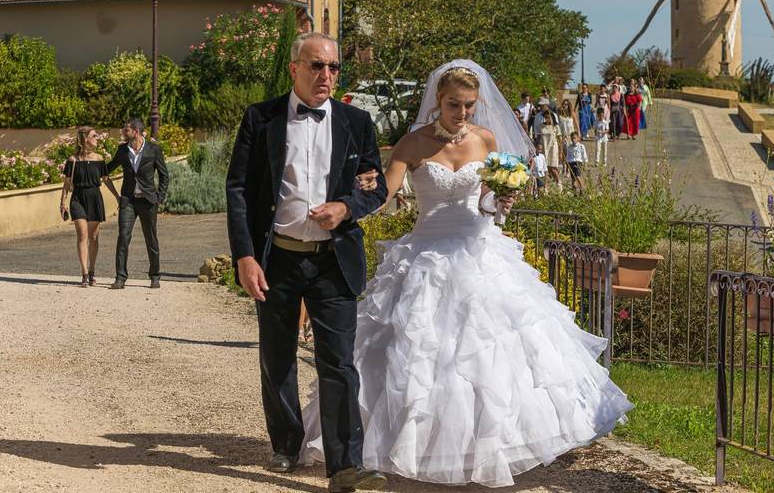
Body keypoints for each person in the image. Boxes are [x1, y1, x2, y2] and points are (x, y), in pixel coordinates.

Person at [299, 59, 633, 488]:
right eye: (454, 104)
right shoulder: (413, 144)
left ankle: (485, 450)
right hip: (426, 255)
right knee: (417, 357)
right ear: (438, 100)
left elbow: (488, 204)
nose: (462, 113)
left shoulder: (486, 139)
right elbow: (385, 194)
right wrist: (345, 207)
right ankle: (398, 448)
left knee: (490, 358)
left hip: (481, 252)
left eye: (470, 106)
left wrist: (501, 204)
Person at [225, 32, 389, 493]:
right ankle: (287, 443)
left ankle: (344, 465)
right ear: (294, 68)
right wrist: (244, 255)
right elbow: (237, 189)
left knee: (338, 362)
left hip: (332, 260)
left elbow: (373, 187)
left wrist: (347, 208)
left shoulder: (357, 122)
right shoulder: (261, 118)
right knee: (277, 357)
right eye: (317, 66)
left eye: (334, 67)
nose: (327, 75)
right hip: (276, 257)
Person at [107, 118, 169, 290]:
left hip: (148, 201)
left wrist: (159, 198)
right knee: (123, 237)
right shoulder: (122, 150)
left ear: (135, 131)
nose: (122, 132)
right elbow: (109, 167)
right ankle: (120, 277)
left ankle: (155, 276)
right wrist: (89, 164)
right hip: (128, 200)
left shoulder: (153, 150)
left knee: (151, 239)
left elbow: (164, 175)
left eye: (125, 130)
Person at [59, 126, 120, 287]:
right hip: (78, 198)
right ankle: (84, 273)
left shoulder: (99, 159)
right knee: (82, 234)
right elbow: (66, 184)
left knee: (93, 237)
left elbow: (106, 179)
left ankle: (92, 270)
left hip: (95, 197)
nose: (97, 138)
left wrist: (117, 196)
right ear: (85, 139)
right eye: (94, 136)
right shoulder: (72, 161)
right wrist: (62, 203)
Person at [540, 109, 563, 189]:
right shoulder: (541, 126)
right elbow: (539, 138)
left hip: (553, 148)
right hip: (544, 148)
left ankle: (559, 183)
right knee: (545, 168)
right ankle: (546, 187)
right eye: (545, 117)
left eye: (549, 117)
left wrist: (560, 152)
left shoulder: (556, 127)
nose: (547, 119)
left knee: (553, 168)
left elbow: (560, 139)